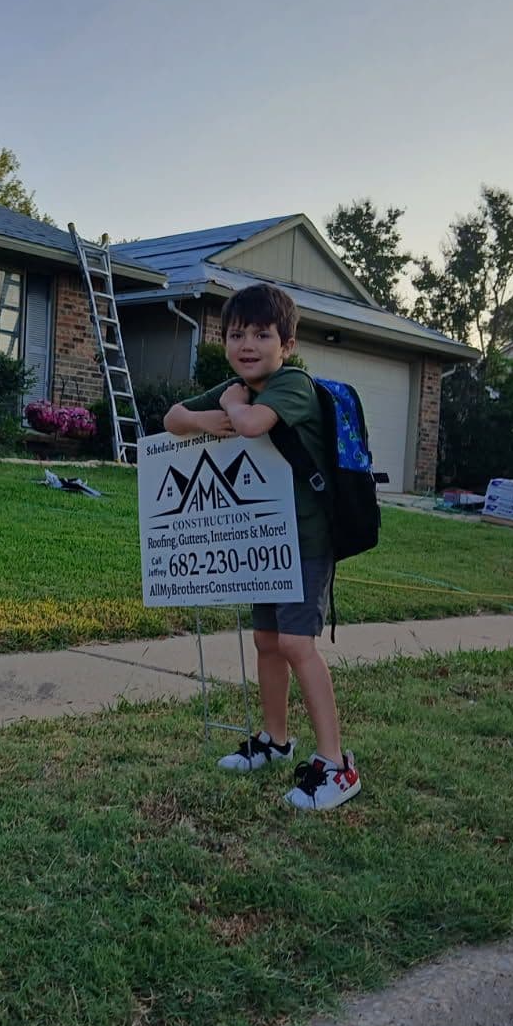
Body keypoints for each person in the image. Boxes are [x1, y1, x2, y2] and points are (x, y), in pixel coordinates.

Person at [163, 282, 361, 811]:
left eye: (261, 334)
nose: (247, 344)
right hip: (265, 540)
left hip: (307, 541)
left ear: (287, 343)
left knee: (298, 646)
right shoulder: (241, 387)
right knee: (268, 642)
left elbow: (251, 426)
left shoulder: (291, 384)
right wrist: (213, 415)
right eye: (235, 334)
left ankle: (338, 766)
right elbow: (173, 419)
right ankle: (275, 740)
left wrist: (230, 404)